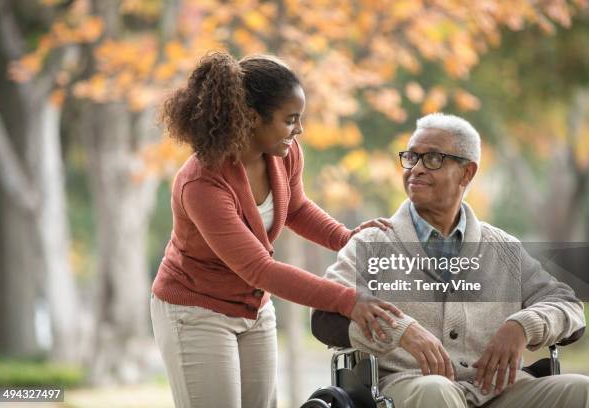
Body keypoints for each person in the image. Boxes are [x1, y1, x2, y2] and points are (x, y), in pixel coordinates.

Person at [149, 51, 403, 408]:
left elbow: (296, 208)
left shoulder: (284, 153)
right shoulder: (202, 183)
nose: (298, 130)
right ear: (252, 118)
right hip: (196, 312)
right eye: (290, 119)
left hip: (253, 307)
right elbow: (259, 268)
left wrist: (347, 239)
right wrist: (348, 301)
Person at [312, 113, 589, 408]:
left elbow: (568, 306)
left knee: (583, 389)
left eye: (433, 159)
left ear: (467, 173)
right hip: (408, 387)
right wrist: (401, 331)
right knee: (436, 391)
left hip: (497, 389)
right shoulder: (371, 243)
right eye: (411, 157)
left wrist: (523, 326)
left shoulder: (503, 249)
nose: (416, 169)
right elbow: (325, 316)